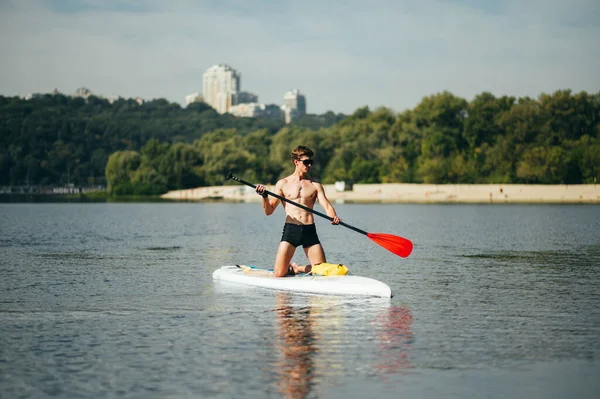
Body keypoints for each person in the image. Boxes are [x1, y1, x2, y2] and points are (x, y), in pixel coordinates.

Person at [255, 145, 341, 277]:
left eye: (311, 162)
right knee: (279, 274)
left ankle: (298, 269)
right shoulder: (283, 184)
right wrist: (264, 196)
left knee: (323, 272)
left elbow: (327, 206)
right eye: (306, 162)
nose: (309, 165)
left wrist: (333, 217)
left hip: (309, 230)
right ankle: (289, 269)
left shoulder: (315, 186)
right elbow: (269, 210)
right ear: (296, 162)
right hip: (291, 230)